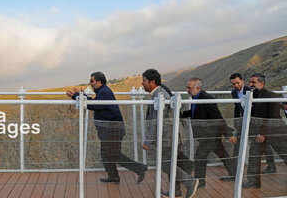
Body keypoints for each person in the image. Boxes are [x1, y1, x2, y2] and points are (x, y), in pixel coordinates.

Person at [66, 71, 147, 184]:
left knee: (114, 155)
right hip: (109, 129)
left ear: (99, 82)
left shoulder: (104, 92)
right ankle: (113, 176)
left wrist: (76, 96)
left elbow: (95, 105)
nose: (90, 83)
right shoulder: (103, 91)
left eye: (92, 81)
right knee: (106, 153)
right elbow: (95, 102)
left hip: (113, 128)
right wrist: (81, 96)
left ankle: (140, 168)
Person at [141, 69, 198, 198]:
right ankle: (175, 191)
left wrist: (148, 141)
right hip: (172, 135)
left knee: (166, 164)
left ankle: (190, 182)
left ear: (152, 82)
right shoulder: (159, 93)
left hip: (170, 137)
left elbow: (157, 121)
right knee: (173, 163)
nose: (142, 83)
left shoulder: (160, 95)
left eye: (144, 80)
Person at [182, 78, 233, 188]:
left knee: (200, 156)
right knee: (222, 153)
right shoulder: (196, 97)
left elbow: (217, 117)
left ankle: (200, 182)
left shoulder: (206, 99)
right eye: (187, 87)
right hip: (207, 134)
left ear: (198, 88)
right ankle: (233, 174)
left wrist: (227, 133)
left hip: (210, 134)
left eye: (189, 88)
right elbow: (195, 111)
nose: (187, 90)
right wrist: (182, 114)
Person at [227, 73, 276, 179]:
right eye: (233, 84)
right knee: (239, 142)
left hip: (255, 121)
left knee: (263, 143)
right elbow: (237, 106)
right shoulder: (233, 92)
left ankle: (271, 166)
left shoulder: (252, 90)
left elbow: (260, 107)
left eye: (237, 83)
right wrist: (236, 119)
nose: (235, 85)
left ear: (242, 81)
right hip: (244, 120)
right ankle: (234, 172)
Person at [243, 74, 287, 188]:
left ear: (262, 83)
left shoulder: (271, 95)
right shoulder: (253, 96)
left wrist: (263, 133)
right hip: (260, 133)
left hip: (277, 131)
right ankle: (254, 182)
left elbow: (273, 117)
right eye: (250, 82)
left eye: (253, 82)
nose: (250, 84)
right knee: (254, 155)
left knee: (285, 155)